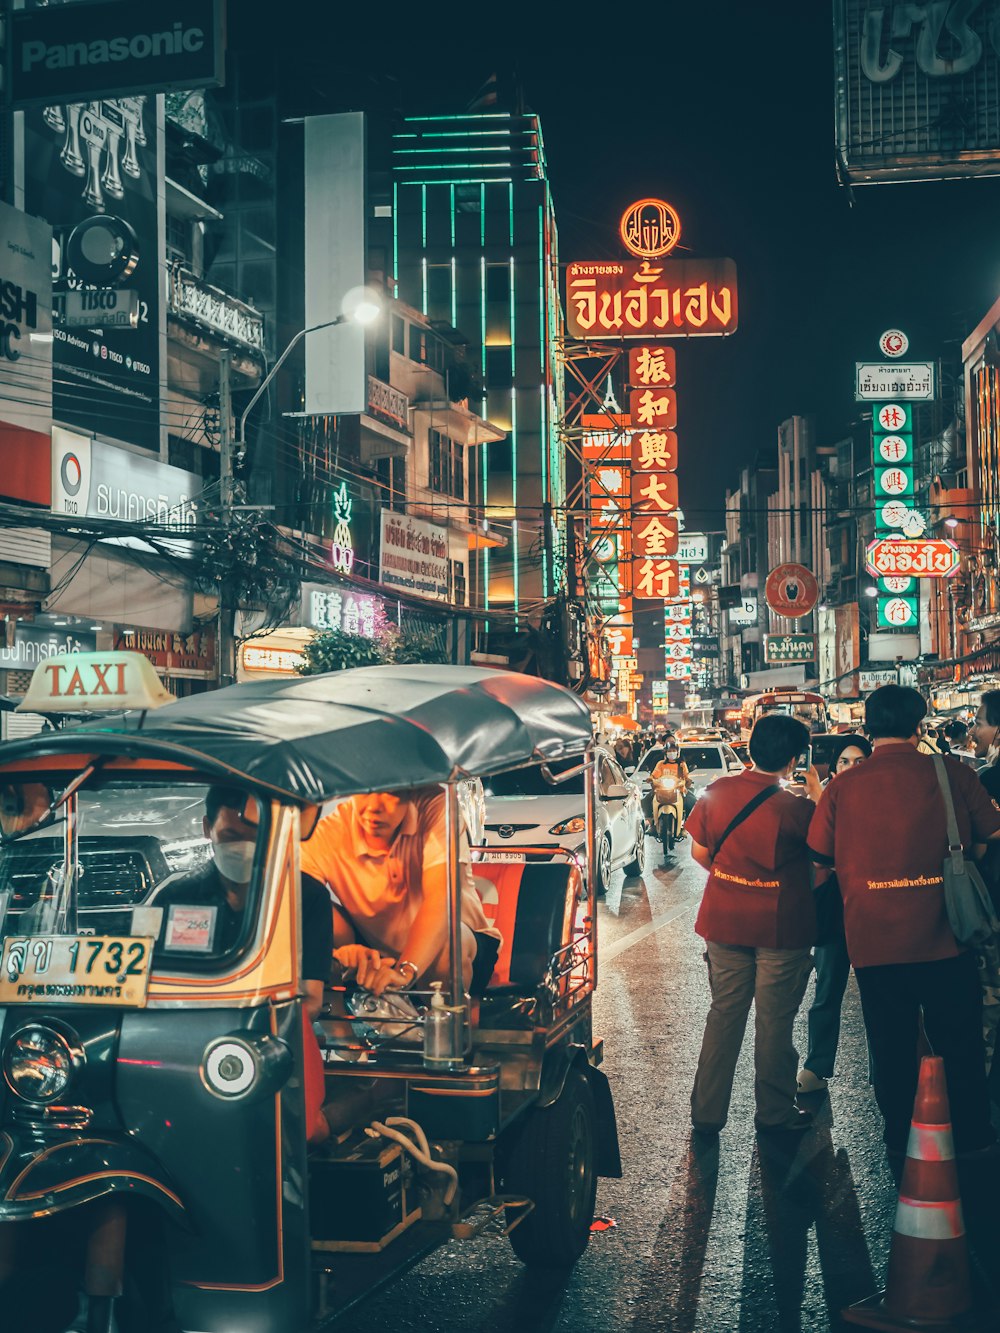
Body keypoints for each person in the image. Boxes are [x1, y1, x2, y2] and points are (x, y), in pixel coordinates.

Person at [808, 684, 1000, 1158]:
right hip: (947, 937)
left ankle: (901, 1140)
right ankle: (973, 1136)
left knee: (892, 1049)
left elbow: (819, 857)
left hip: (874, 943)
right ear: (919, 725)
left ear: (869, 728)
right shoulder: (951, 771)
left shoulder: (844, 786)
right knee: (959, 1043)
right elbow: (990, 832)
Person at [154, 786, 334, 1146]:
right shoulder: (175, 896)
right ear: (208, 828)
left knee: (299, 1133)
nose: (243, 848)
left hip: (275, 1044)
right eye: (231, 836)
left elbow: (310, 999)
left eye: (254, 837)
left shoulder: (306, 896)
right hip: (185, 1050)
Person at [686, 714, 823, 1135]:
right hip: (781, 928)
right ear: (794, 759)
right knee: (774, 1021)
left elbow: (700, 854)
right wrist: (817, 792)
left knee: (724, 1014)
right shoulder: (799, 810)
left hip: (724, 920)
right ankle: (775, 1114)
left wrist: (735, 880)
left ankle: (707, 1115)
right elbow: (823, 866)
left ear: (749, 747)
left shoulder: (716, 792)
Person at [301, 786, 501, 999]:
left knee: (448, 944)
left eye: (389, 793)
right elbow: (297, 903)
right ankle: (341, 1032)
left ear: (410, 791)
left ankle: (444, 1027)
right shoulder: (329, 831)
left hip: (461, 948)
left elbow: (441, 899)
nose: (374, 807)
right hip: (378, 951)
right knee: (306, 902)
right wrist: (343, 952)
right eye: (364, 791)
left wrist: (406, 971)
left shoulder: (436, 806)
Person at [796, 734, 872, 1095]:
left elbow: (850, 843)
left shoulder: (878, 799)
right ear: (834, 766)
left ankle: (884, 1067)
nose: (851, 769)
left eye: (859, 762)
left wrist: (818, 795)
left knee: (880, 994)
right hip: (833, 912)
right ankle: (817, 1064)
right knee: (827, 991)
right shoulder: (819, 799)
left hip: (874, 911)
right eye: (844, 762)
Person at [650, 738, 690, 839]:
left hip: (678, 790)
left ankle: (685, 828)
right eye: (669, 751)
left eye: (673, 751)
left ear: (678, 752)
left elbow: (686, 776)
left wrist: (687, 780)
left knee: (692, 802)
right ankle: (652, 825)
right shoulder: (661, 764)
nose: (671, 753)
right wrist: (650, 779)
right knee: (646, 800)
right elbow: (654, 775)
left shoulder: (681, 765)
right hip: (661, 790)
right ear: (665, 753)